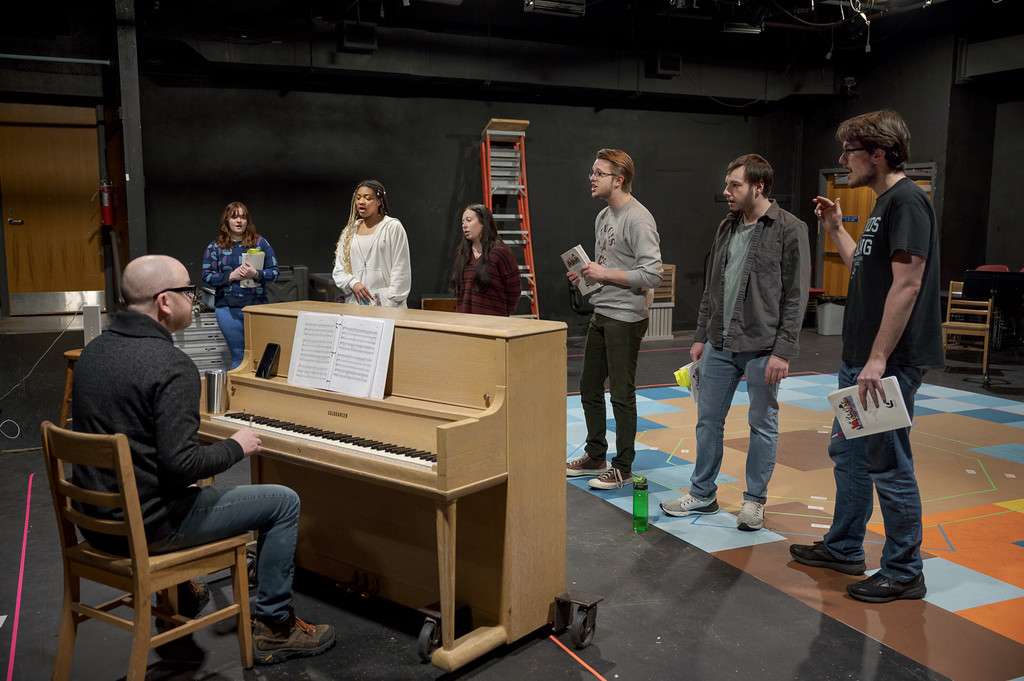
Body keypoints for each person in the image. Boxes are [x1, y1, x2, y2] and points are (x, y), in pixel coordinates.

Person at [72, 255, 335, 663]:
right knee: (283, 501)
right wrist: (236, 446)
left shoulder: (94, 353)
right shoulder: (170, 364)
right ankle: (274, 626)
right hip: (151, 528)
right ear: (163, 302)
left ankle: (181, 592)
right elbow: (181, 464)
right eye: (187, 292)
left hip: (99, 525)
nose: (194, 300)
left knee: (187, 485)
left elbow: (149, 451)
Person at [790, 110, 942, 603]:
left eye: (849, 151)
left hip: (886, 365)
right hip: (862, 360)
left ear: (878, 153)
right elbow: (867, 271)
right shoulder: (882, 204)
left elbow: (908, 284)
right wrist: (835, 229)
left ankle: (904, 570)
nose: (841, 161)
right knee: (850, 455)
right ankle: (844, 547)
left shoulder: (909, 202)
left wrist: (878, 360)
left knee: (889, 464)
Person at [660, 154, 810, 531]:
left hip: (764, 347)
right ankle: (702, 493)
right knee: (707, 422)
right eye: (727, 185)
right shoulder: (726, 226)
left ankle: (754, 501)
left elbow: (796, 295)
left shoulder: (790, 229)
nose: (726, 192)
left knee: (763, 424)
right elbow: (713, 285)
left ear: (758, 187)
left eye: (735, 186)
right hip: (718, 343)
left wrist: (783, 351)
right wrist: (700, 336)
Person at [565, 149, 662, 490]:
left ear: (618, 180)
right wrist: (587, 276)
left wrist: (604, 272)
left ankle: (622, 466)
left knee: (621, 393)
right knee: (588, 387)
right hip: (603, 312)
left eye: (598, 173)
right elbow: (608, 266)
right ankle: (595, 455)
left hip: (626, 317)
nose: (591, 178)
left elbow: (652, 274)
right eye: (592, 172)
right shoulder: (603, 217)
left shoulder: (639, 219)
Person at [201, 201, 279, 369]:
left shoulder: (260, 243)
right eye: (234, 217)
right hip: (228, 309)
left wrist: (256, 274)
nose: (239, 221)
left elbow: (274, 272)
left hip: (257, 308)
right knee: (239, 357)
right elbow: (206, 277)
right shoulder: (215, 247)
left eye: (243, 217)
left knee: (260, 356)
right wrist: (231, 276)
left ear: (247, 221)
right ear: (226, 221)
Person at [332, 180, 412, 307]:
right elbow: (339, 270)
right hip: (356, 305)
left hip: (386, 306)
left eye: (368, 198)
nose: (361, 202)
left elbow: (401, 269)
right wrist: (353, 283)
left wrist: (389, 302)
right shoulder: (349, 231)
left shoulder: (392, 227)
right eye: (358, 198)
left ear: (379, 201)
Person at [450, 204, 521, 316]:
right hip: (465, 323)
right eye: (462, 222)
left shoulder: (500, 252)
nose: (464, 225)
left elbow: (514, 290)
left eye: (469, 220)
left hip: (492, 324)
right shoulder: (463, 253)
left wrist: (501, 316)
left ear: (483, 222)